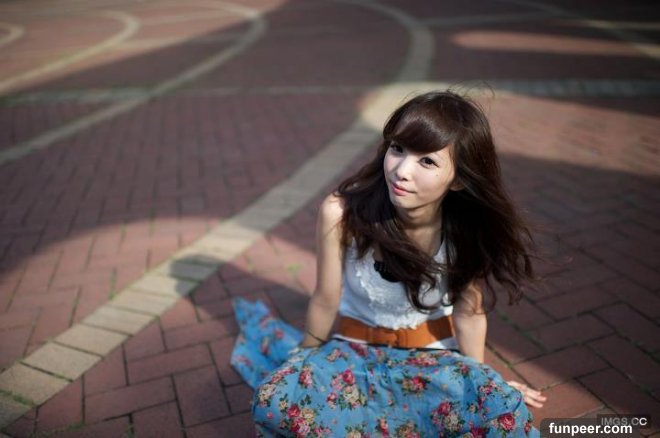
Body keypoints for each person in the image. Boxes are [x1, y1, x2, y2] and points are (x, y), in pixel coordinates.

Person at [231, 90, 546, 437]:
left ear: (457, 179)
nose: (401, 170)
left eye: (427, 162)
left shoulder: (464, 228)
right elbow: (325, 298)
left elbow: (468, 313)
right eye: (398, 148)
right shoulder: (342, 213)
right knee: (276, 402)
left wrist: (481, 382)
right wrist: (302, 359)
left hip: (434, 360)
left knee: (502, 418)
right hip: (354, 356)